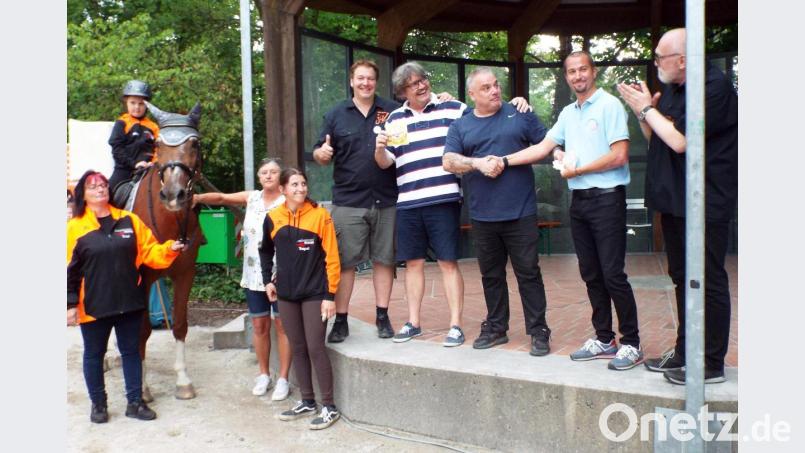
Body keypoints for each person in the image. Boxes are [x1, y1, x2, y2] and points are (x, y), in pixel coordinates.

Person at [501, 51, 643, 370]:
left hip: (607, 198)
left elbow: (619, 155)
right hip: (579, 201)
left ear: (593, 72)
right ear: (566, 77)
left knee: (612, 273)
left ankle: (632, 343)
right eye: (571, 71)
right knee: (591, 272)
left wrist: (579, 172)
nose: (577, 76)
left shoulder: (609, 106)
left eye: (583, 70)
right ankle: (605, 339)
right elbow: (543, 147)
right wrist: (504, 160)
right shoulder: (568, 112)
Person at [616, 28, 737, 385]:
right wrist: (643, 114)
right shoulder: (674, 90)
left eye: (660, 57)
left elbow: (682, 141)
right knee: (682, 277)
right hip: (675, 201)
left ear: (683, 60)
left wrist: (647, 108)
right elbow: (659, 138)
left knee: (709, 279)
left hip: (705, 201)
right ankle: (685, 353)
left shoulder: (713, 88)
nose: (656, 63)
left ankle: (711, 364)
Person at [312, 59, 456, 342]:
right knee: (345, 263)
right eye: (360, 78)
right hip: (349, 201)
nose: (366, 83)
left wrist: (444, 97)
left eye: (371, 79)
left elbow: (422, 105)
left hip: (389, 199)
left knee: (384, 262)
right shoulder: (336, 114)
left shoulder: (392, 110)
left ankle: (382, 316)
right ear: (352, 81)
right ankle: (341, 320)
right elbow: (319, 150)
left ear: (376, 83)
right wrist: (322, 154)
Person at [443, 67, 552, 356]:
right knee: (491, 275)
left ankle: (539, 330)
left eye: (496, 85)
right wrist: (478, 163)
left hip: (521, 211)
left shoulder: (520, 113)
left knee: (528, 273)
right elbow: (448, 161)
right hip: (483, 215)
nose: (494, 91)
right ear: (472, 95)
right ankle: (496, 327)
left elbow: (547, 145)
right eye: (486, 88)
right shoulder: (461, 126)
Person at [67, 170, 186, 423]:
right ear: (83, 195)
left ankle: (135, 402)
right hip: (94, 306)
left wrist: (169, 249)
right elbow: (69, 270)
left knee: (131, 352)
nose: (100, 190)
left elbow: (150, 252)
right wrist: (70, 305)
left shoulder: (129, 220)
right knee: (93, 354)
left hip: (129, 302)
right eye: (93, 187)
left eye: (103, 185)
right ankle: (98, 404)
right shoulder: (75, 227)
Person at [374, 61, 468, 347]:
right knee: (412, 263)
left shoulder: (454, 109)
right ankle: (413, 322)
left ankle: (456, 326)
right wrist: (378, 149)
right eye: (414, 83)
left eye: (423, 79)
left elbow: (479, 126)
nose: (422, 85)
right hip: (409, 203)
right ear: (403, 91)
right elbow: (385, 163)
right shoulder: (393, 120)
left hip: (444, 199)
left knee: (447, 262)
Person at [193, 158, 292, 400]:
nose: (268, 176)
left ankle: (283, 379)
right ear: (259, 177)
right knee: (259, 325)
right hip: (253, 274)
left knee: (282, 325)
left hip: (282, 274)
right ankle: (263, 374)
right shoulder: (253, 197)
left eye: (273, 172)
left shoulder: (288, 199)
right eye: (264, 172)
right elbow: (223, 198)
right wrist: (196, 198)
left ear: (281, 176)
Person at [259, 168, 341, 430]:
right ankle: (307, 400)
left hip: (315, 293)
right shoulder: (273, 218)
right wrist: (268, 280)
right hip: (286, 295)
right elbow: (265, 251)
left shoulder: (320, 216)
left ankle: (329, 406)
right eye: (294, 184)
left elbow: (332, 257)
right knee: (298, 346)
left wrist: (330, 295)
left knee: (316, 346)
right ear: (283, 189)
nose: (301, 189)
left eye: (303, 184)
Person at [108, 80, 159, 203]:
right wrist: (134, 164)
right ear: (126, 102)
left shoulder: (153, 126)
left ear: (147, 104)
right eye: (133, 103)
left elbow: (159, 149)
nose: (137, 107)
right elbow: (117, 149)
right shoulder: (122, 123)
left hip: (150, 170)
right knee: (106, 194)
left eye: (141, 104)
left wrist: (153, 163)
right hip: (125, 170)